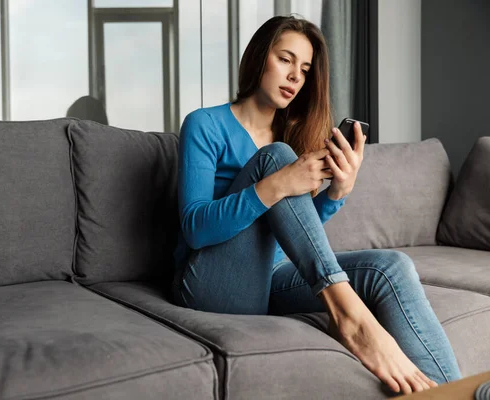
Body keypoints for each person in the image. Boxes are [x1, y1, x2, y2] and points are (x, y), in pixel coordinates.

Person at [170, 15, 461, 395]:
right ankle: (351, 318)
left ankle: (455, 391)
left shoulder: (290, 135)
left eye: (304, 69)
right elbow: (194, 228)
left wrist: (337, 192)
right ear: (259, 57)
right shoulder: (205, 124)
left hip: (271, 280)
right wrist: (276, 184)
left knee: (391, 268)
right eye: (285, 59)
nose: (295, 76)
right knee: (275, 158)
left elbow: (294, 237)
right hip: (208, 283)